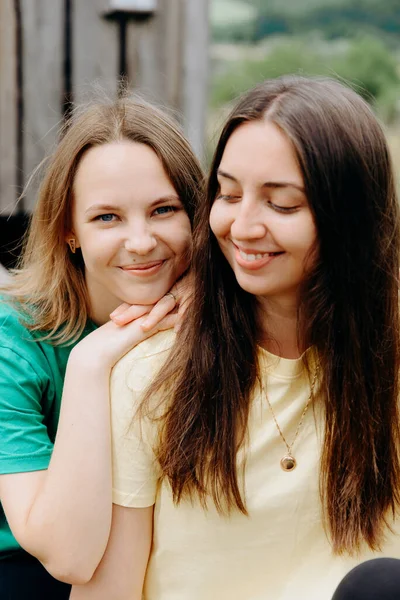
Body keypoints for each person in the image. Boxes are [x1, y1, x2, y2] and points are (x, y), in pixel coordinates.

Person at [71, 75, 400, 600]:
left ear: (350, 218)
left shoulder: (388, 368)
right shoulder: (155, 373)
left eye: (283, 204)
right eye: (227, 195)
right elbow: (107, 588)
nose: (241, 226)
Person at [0, 96, 203, 599]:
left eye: (163, 209)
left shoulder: (225, 318)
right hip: (30, 568)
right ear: (69, 231)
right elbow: (68, 555)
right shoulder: (14, 342)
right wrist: (94, 362)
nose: (140, 241)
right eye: (107, 218)